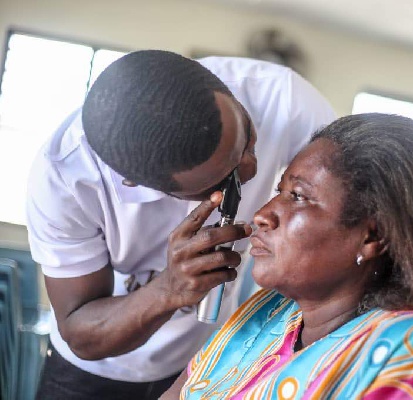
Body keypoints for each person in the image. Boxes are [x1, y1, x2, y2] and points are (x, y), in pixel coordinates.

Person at [26, 50, 336, 399]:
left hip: (207, 361)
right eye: (222, 181)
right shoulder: (65, 179)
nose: (250, 170)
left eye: (245, 140)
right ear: (140, 185)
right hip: (90, 375)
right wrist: (169, 289)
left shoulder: (284, 98)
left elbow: (350, 192)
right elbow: (81, 332)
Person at [161, 113, 413, 399]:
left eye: (299, 196)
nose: (263, 214)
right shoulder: (267, 311)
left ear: (372, 236)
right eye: (280, 192)